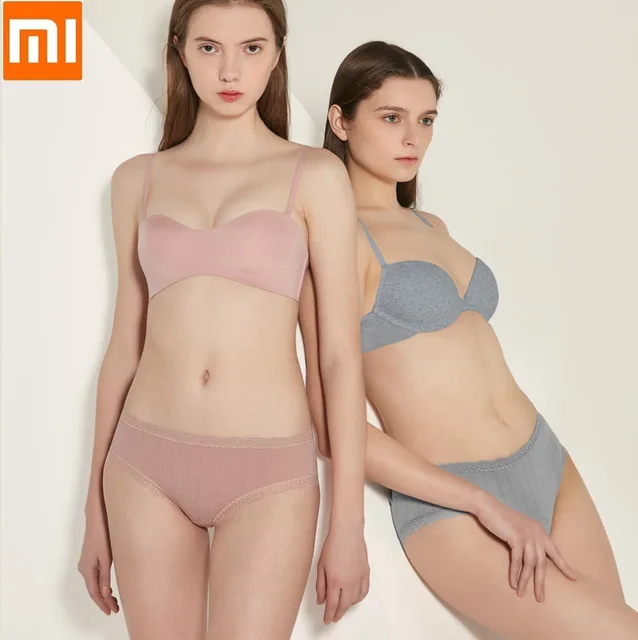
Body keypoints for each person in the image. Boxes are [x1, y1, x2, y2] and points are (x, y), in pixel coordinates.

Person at [299, 40, 638, 638]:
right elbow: (333, 423)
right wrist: (477, 503)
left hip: (547, 462)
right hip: (455, 497)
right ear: (340, 121)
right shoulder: (337, 236)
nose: (414, 138)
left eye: (426, 120)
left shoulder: (433, 225)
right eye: (391, 117)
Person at [77, 2, 370, 638]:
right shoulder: (136, 181)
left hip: (270, 475)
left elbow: (340, 359)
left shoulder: (315, 176)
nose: (230, 70)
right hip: (144, 465)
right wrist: (93, 509)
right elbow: (123, 347)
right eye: (209, 48)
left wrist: (349, 523)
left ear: (278, 53)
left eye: (252, 48)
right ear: (180, 50)